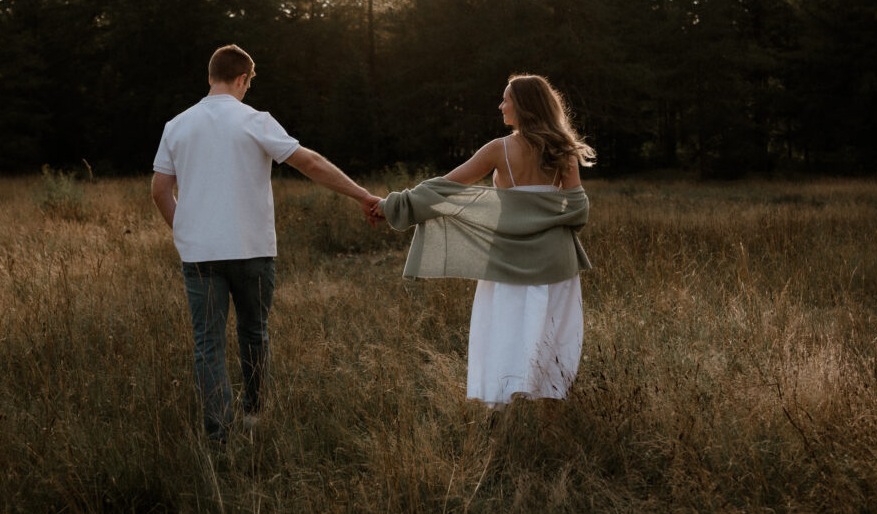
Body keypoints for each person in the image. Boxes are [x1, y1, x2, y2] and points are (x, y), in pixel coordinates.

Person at [152, 44, 381, 444]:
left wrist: (185, 230)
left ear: (211, 76)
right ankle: (254, 416)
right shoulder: (256, 121)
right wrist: (362, 195)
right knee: (254, 333)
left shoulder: (177, 125)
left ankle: (219, 437)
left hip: (201, 256)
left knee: (208, 345)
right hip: (254, 251)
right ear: (242, 79)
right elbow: (308, 162)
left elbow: (159, 191)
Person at [378, 74, 594, 409]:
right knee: (554, 339)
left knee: (504, 336)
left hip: (507, 260)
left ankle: (502, 418)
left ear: (522, 105)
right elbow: (578, 209)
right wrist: (543, 215)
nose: (501, 105)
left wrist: (393, 205)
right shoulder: (562, 148)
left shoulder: (499, 149)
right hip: (556, 261)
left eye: (506, 98)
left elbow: (443, 187)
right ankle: (551, 421)